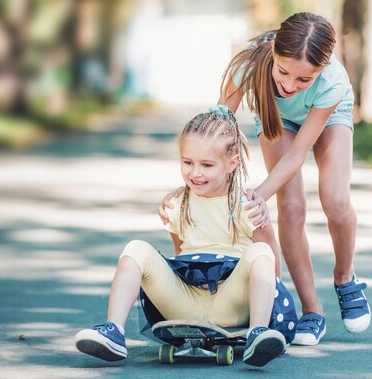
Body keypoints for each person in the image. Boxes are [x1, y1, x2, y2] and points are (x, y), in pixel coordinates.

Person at [159, 12, 371, 346]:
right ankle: (311, 310)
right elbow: (214, 134)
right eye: (283, 72)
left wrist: (257, 193)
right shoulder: (246, 67)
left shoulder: (332, 82)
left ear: (322, 68)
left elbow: (297, 155)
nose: (289, 85)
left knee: (335, 198)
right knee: (291, 206)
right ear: (273, 51)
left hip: (327, 117)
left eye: (304, 80)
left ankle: (345, 278)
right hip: (277, 117)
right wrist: (192, 184)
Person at [75, 111, 298, 367]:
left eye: (207, 165)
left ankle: (257, 335)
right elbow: (180, 256)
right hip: (185, 304)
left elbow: (272, 268)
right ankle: (114, 331)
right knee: (136, 248)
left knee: (260, 251)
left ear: (232, 162)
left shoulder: (247, 206)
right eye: (187, 162)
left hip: (232, 303)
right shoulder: (178, 204)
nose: (195, 173)